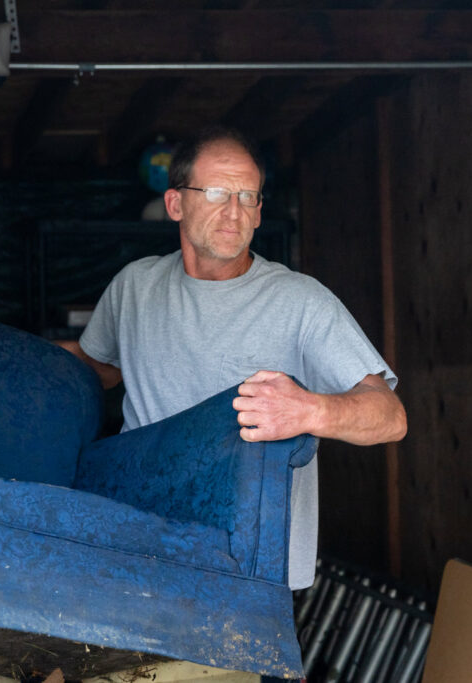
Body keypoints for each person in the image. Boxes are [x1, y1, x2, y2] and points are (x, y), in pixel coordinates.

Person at [60, 126, 407, 589]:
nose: (234, 211)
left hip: (247, 565)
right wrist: (25, 364)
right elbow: (98, 367)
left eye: (248, 196)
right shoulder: (135, 286)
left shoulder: (300, 301)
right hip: (138, 543)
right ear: (175, 204)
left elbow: (390, 416)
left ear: (261, 212)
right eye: (219, 192)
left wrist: (310, 409)